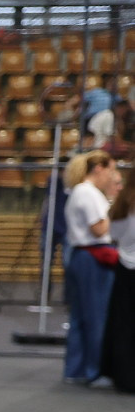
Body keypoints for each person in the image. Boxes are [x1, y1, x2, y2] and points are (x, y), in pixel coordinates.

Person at [61, 151, 122, 384]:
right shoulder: (88, 193)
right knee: (97, 316)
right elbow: (99, 229)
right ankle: (94, 370)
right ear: (99, 169)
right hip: (92, 257)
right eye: (111, 170)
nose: (112, 176)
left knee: (80, 315)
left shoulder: (82, 191)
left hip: (83, 256)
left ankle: (76, 368)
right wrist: (116, 207)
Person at [99, 180, 135, 393]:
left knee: (122, 324)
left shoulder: (122, 202)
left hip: (124, 266)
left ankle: (122, 375)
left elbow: (113, 235)